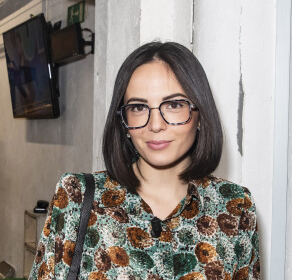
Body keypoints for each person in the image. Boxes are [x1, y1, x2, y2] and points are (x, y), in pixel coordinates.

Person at [29, 42, 260, 279]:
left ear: (200, 115)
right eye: (139, 107)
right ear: (124, 122)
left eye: (174, 105)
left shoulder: (235, 205)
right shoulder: (78, 196)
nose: (155, 125)